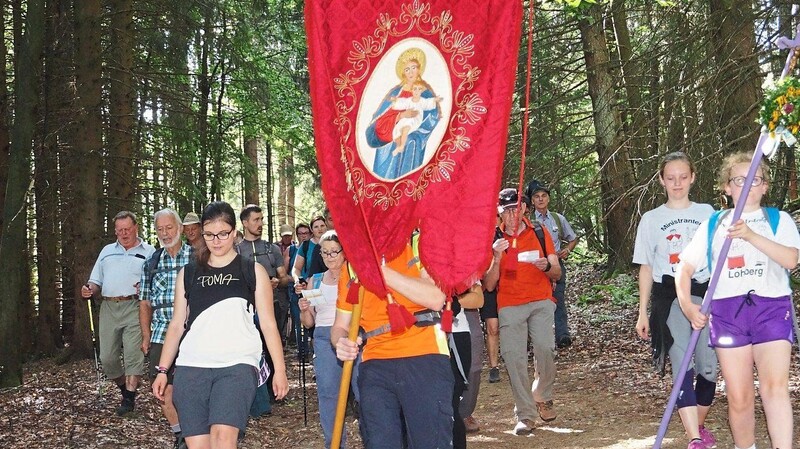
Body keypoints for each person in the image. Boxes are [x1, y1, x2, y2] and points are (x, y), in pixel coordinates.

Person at [676, 152, 799, 449]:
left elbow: (792, 259)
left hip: (771, 307)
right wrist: (688, 305)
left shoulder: (778, 220)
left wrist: (751, 235)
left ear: (764, 186)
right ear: (727, 188)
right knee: (740, 395)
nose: (746, 186)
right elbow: (684, 268)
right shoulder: (714, 224)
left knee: (774, 388)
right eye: (739, 180)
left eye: (754, 179)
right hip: (728, 312)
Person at [152, 201, 289, 449]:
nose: (216, 241)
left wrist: (279, 369)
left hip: (236, 365)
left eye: (223, 234)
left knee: (223, 439)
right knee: (198, 444)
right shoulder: (189, 273)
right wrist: (163, 370)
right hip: (192, 366)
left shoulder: (252, 271)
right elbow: (176, 325)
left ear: (234, 232)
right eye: (209, 234)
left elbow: (269, 324)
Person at [332, 235, 453, 448]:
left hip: (425, 355)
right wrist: (340, 342)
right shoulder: (351, 266)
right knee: (380, 441)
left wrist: (381, 272)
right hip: (375, 363)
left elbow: (436, 297)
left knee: (430, 442)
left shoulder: (419, 244)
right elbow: (340, 325)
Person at [632, 152, 717, 449]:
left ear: (693, 177)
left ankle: (698, 424)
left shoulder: (708, 213)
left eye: (683, 176)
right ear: (661, 180)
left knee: (709, 370)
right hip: (669, 299)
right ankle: (694, 438)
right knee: (682, 362)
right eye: (670, 178)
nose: (677, 183)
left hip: (705, 295)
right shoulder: (651, 219)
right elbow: (646, 267)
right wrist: (642, 311)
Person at [484, 188, 561, 435]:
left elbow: (557, 272)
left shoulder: (539, 231)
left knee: (545, 347)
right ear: (499, 213)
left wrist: (547, 266)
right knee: (513, 356)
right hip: (509, 304)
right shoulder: (493, 239)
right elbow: (489, 285)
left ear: (525, 208)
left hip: (540, 300)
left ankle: (542, 394)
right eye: (506, 211)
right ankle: (525, 414)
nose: (511, 215)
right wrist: (496, 256)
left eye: (515, 208)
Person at [81, 211, 155, 416]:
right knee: (108, 358)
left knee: (133, 353)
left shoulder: (149, 251)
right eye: (119, 230)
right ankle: (125, 390)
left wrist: (146, 286)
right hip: (109, 307)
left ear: (136, 228)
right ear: (115, 231)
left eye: (127, 229)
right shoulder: (106, 251)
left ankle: (129, 399)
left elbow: (156, 280)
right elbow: (96, 281)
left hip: (135, 306)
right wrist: (89, 290)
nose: (123, 233)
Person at [298, 230, 359, 449]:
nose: (330, 257)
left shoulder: (355, 278)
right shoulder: (316, 281)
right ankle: (334, 444)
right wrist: (304, 309)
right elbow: (309, 323)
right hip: (324, 339)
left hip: (354, 336)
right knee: (328, 395)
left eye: (334, 252)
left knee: (364, 391)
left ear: (344, 252)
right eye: (325, 253)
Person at [139, 209, 193, 449]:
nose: (165, 233)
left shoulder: (197, 256)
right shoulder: (152, 262)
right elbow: (145, 302)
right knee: (161, 391)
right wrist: (145, 335)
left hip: (194, 333)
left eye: (169, 227)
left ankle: (198, 433)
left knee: (193, 388)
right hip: (161, 331)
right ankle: (180, 434)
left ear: (179, 227)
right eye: (160, 229)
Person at [366, 47, 441, 180]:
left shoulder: (425, 92)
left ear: (419, 69)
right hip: (391, 132)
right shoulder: (396, 92)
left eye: (413, 67)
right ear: (403, 73)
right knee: (394, 143)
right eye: (407, 69)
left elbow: (433, 116)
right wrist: (400, 116)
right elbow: (380, 120)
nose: (411, 72)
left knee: (409, 141)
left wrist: (416, 125)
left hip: (414, 132)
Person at [525, 179, 579, 349]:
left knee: (558, 299)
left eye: (544, 196)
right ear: (532, 201)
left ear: (548, 198)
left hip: (555, 265)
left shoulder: (557, 219)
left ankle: (562, 335)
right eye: (536, 196)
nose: (540, 199)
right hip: (534, 267)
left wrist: (567, 250)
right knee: (533, 301)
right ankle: (531, 338)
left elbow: (572, 238)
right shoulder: (527, 220)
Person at [236, 205, 290, 342]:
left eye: (261, 219)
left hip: (272, 307)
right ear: (245, 223)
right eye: (256, 220)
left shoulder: (272, 249)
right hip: (244, 312)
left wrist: (277, 282)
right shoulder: (235, 252)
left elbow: (284, 278)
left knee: (272, 353)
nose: (260, 223)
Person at [450, 284, 483, 449]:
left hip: (457, 333)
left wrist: (449, 302)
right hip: (419, 338)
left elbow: (478, 298)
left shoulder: (460, 261)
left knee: (452, 402)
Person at [389, 80, 443, 155]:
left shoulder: (422, 101)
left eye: (419, 89)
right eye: (415, 89)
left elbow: (428, 103)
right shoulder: (408, 100)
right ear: (411, 90)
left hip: (415, 119)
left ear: (421, 91)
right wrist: (395, 100)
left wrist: (435, 100)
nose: (417, 91)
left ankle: (402, 146)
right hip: (406, 119)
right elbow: (402, 103)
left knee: (405, 129)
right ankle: (399, 147)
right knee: (396, 131)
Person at [287, 223, 312, 349]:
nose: (303, 236)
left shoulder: (314, 247)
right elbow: (287, 272)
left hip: (313, 289)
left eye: (306, 233)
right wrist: (298, 281)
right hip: (297, 291)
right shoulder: (291, 250)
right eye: (300, 233)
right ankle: (302, 351)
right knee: (299, 322)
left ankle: (313, 350)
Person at [291, 216, 328, 288]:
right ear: (312, 230)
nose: (320, 229)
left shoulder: (334, 243)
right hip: (310, 286)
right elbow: (296, 268)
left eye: (322, 226)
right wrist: (298, 281)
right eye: (316, 227)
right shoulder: (306, 246)